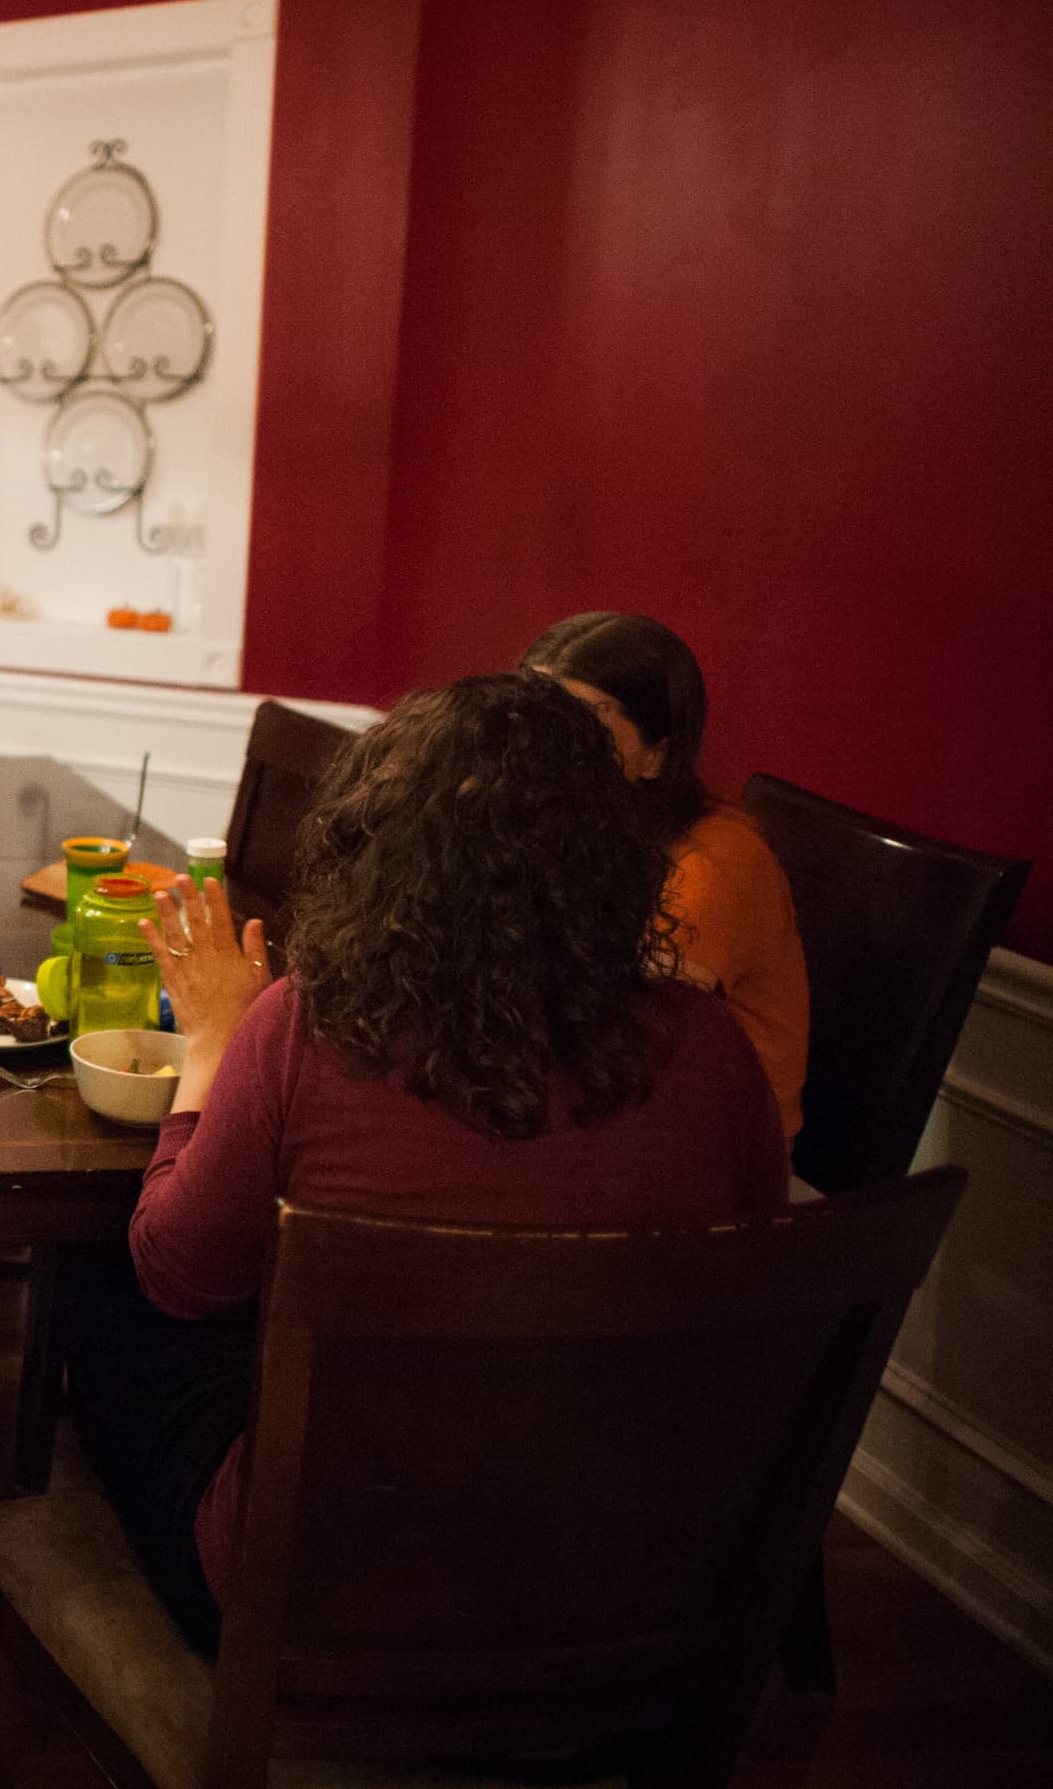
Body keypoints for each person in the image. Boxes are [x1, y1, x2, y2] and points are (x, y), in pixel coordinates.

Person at [62, 672, 790, 1656]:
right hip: (621, 1588)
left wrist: (211, 1041)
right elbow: (749, 1290)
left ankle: (90, 1597)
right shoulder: (713, 1046)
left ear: (381, 846)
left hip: (326, 1601)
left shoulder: (303, 1027)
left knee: (102, 1278)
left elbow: (180, 1273)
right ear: (616, 855)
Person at [525, 612, 811, 1138]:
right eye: (536, 719)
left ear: (659, 754)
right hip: (625, 1112)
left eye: (587, 725)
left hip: (720, 1153)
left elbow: (623, 1044)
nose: (550, 748)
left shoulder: (713, 863)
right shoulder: (575, 828)